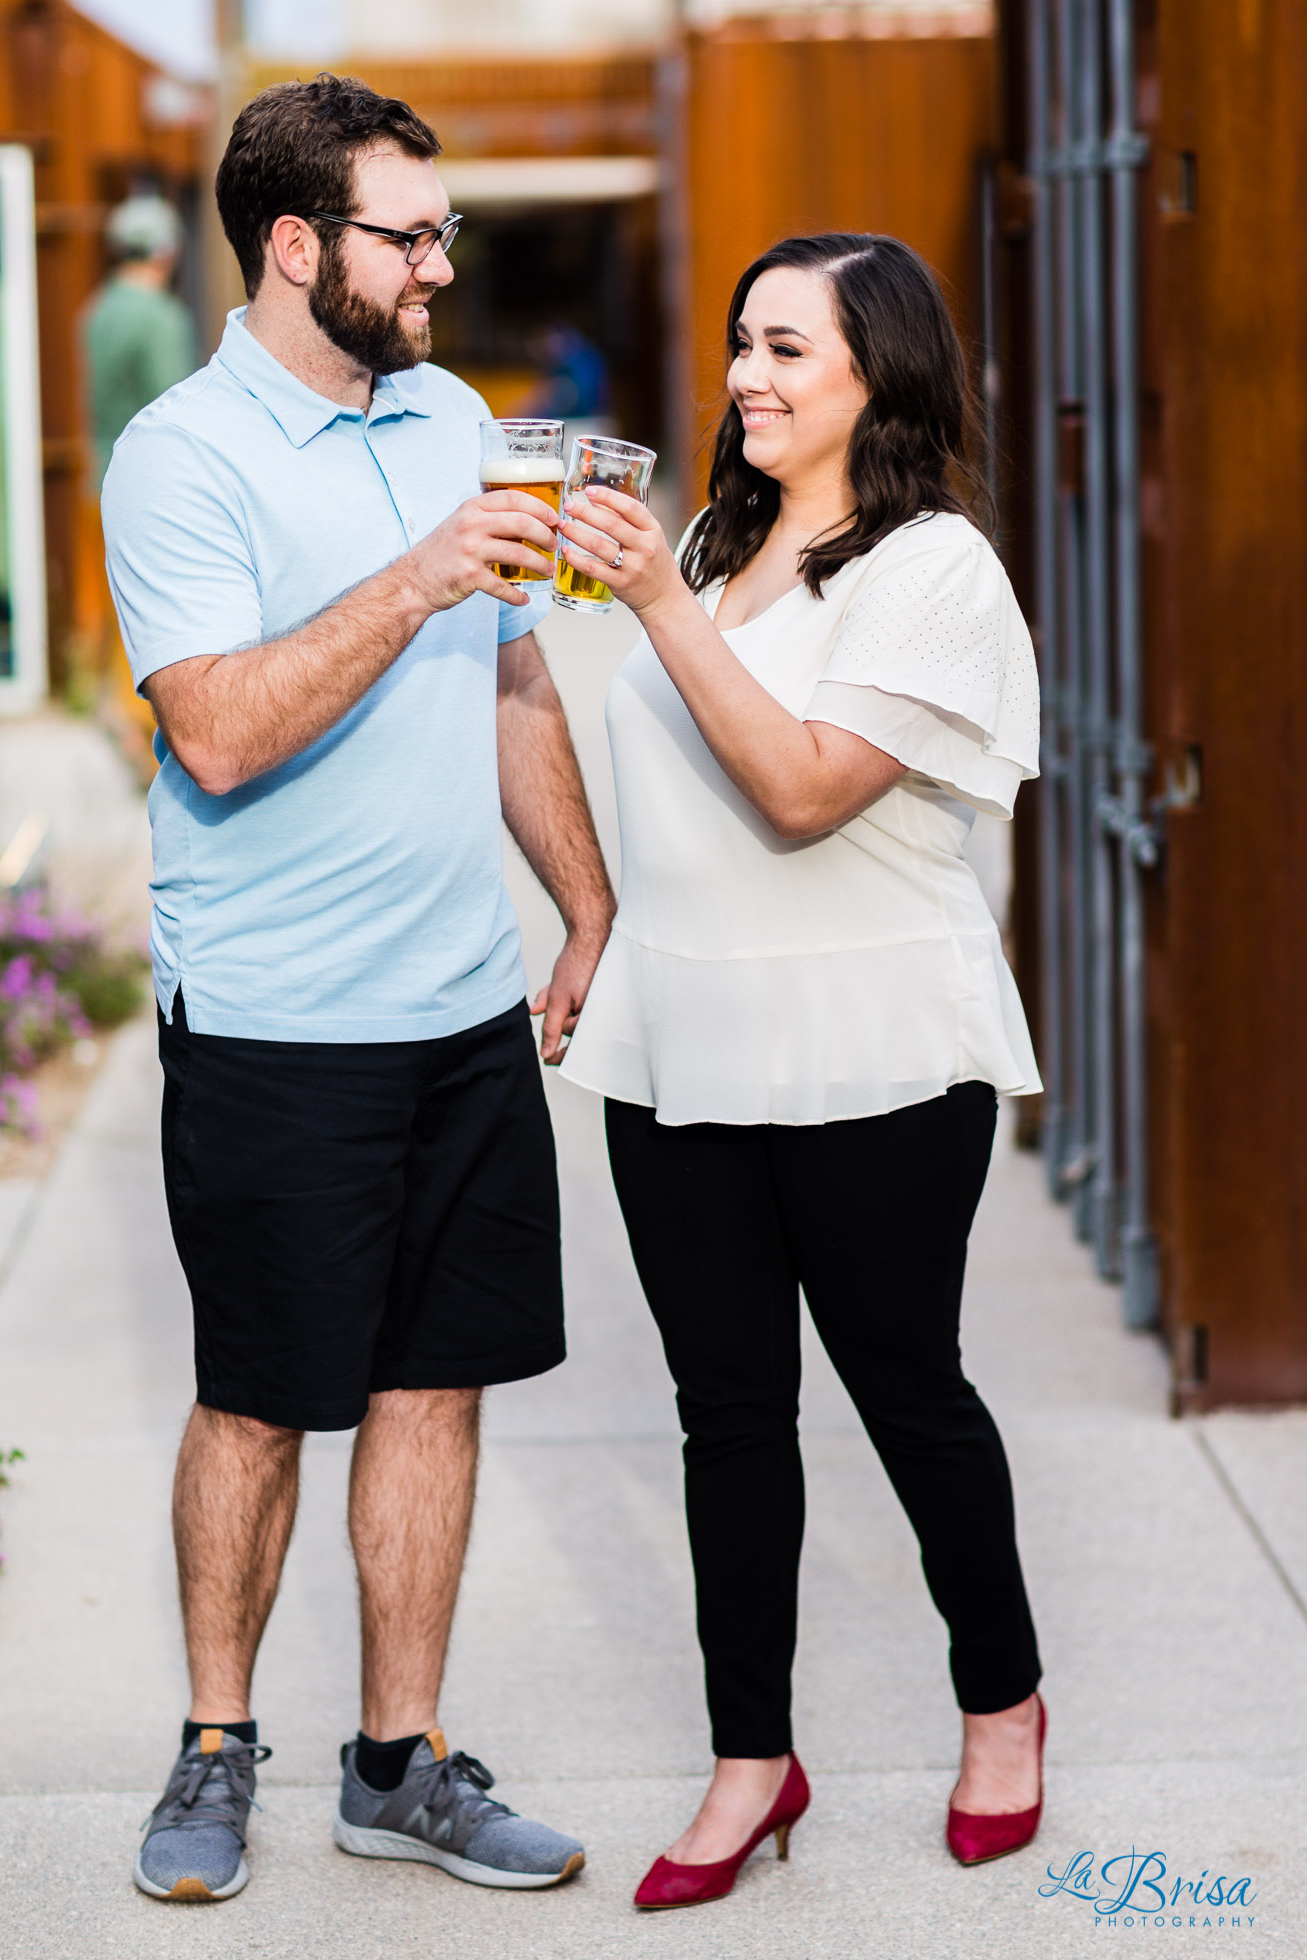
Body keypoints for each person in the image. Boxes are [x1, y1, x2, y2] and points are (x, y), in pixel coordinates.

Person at [101, 74, 614, 1904]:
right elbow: (222, 731)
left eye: (444, 228)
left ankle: (399, 1758)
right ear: (298, 242)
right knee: (258, 1397)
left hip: (460, 1013)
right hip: (271, 1024)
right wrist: (413, 575)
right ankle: (218, 1742)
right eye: (411, 232)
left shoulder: (458, 412)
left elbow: (514, 676)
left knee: (436, 1385)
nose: (440, 261)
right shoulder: (181, 454)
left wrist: (581, 904)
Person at [558, 232, 1047, 1908]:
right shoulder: (718, 538)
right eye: (742, 344)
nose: (749, 376)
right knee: (727, 1419)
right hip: (678, 1045)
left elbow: (799, 787)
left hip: (877, 1053)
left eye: (790, 348)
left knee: (910, 1393)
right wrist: (592, 919)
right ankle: (750, 1757)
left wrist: (650, 600)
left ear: (877, 373)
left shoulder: (931, 570)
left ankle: (1002, 1702)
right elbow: (669, 787)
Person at [83, 194, 196, 485]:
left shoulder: (96, 310)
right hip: (147, 477)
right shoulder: (160, 316)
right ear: (165, 251)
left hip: (100, 474)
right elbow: (175, 411)